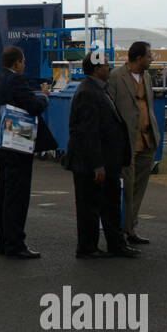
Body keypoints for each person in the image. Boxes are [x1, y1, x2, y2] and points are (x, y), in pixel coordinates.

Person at [0, 46, 50, 258]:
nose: (24, 65)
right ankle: (15, 243)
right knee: (17, 195)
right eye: (23, 62)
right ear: (16, 63)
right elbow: (32, 105)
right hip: (17, 142)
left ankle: (3, 241)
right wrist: (44, 98)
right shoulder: (16, 80)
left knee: (4, 194)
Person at [64, 55, 136, 259]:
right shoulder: (88, 92)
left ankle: (116, 244)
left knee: (110, 205)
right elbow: (88, 132)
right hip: (92, 164)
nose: (110, 68)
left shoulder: (99, 90)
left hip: (107, 162)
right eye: (106, 65)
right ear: (96, 70)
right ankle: (87, 247)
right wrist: (97, 165)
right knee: (89, 207)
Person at [106, 41, 158, 247]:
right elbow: (110, 111)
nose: (152, 59)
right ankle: (119, 230)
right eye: (149, 55)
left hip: (147, 141)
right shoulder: (115, 78)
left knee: (139, 187)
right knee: (126, 188)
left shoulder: (147, 77)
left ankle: (130, 228)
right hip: (126, 143)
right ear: (138, 58)